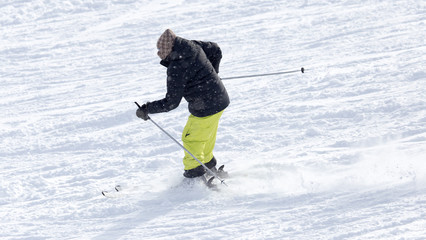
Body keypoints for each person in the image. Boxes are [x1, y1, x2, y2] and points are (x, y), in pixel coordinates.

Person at [136, 29, 230, 179]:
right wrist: (212, 75)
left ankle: (196, 177)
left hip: (205, 107)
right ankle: (210, 167)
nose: (159, 54)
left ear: (170, 49)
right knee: (204, 137)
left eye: (161, 50)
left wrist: (148, 109)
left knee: (191, 138)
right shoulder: (192, 45)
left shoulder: (177, 67)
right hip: (220, 99)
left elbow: (171, 103)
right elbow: (216, 50)